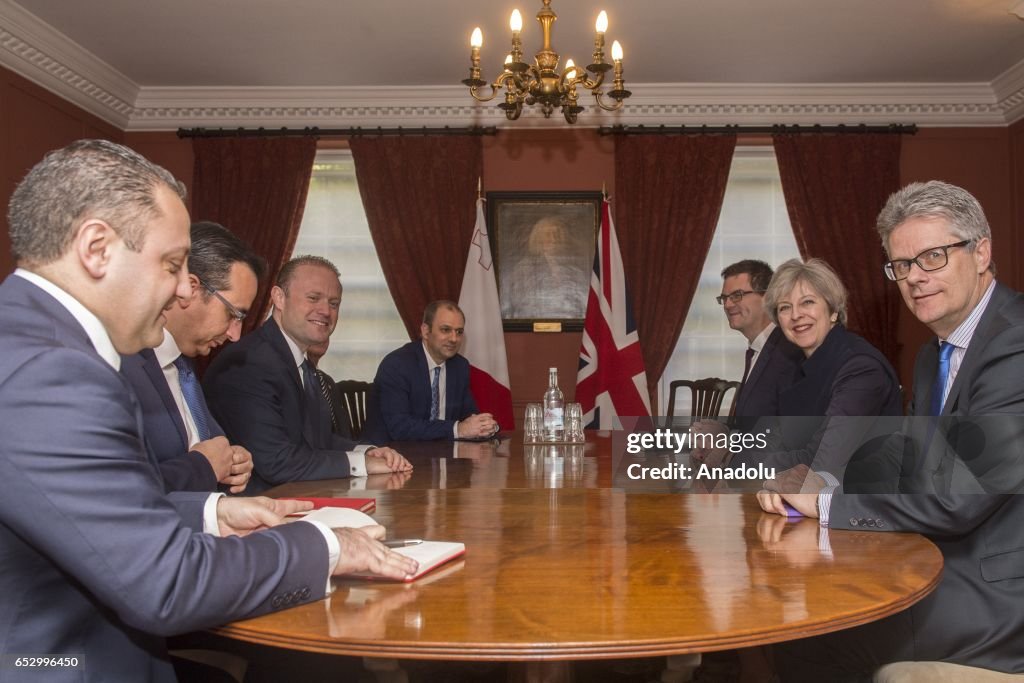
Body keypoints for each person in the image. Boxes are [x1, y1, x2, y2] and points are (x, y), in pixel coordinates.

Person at [0, 139, 417, 681]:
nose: (181, 289)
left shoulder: (35, 344)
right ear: (96, 247)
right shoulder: (50, 371)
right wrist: (324, 545)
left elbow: (78, 514)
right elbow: (167, 582)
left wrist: (211, 512)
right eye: (173, 265)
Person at [759, 181, 1024, 678]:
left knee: (808, 632)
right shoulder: (933, 354)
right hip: (940, 558)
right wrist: (820, 485)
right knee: (793, 607)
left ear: (982, 251)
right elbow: (907, 465)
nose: (915, 278)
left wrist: (823, 503)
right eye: (902, 266)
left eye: (934, 257)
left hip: (1001, 592)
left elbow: (958, 497)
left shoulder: (1016, 345)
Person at [204, 255, 411, 493]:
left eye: (334, 303)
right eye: (313, 298)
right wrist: (362, 464)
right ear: (279, 298)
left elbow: (317, 440)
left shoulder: (300, 363)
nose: (325, 310)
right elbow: (276, 461)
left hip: (298, 499)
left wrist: (366, 451)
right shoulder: (248, 363)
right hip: (254, 511)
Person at [121, 221, 261, 493]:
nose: (235, 335)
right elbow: (123, 491)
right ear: (191, 289)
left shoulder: (183, 366)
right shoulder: (121, 363)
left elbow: (210, 445)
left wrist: (234, 460)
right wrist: (205, 465)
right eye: (233, 314)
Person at [728, 258, 902, 475]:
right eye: (785, 307)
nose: (796, 315)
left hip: (863, 503)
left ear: (833, 310)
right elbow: (772, 439)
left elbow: (823, 459)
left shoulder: (861, 368)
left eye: (807, 302)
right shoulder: (797, 366)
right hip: (805, 497)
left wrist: (739, 467)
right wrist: (730, 463)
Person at [362, 300, 498, 442]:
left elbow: (470, 416)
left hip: (443, 456)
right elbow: (400, 428)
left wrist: (485, 426)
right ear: (426, 331)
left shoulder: (459, 366)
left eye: (459, 332)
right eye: (446, 330)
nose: (454, 339)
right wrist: (457, 429)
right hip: (390, 455)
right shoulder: (397, 365)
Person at [718, 259, 802, 425]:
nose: (727, 305)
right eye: (724, 298)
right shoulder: (757, 350)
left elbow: (791, 432)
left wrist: (729, 450)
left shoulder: (790, 353)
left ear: (767, 297)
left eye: (737, 296)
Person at [500, 215, 591, 320]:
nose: (554, 239)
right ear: (539, 239)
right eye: (548, 235)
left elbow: (582, 307)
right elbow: (516, 305)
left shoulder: (576, 273)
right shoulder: (523, 269)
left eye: (558, 234)